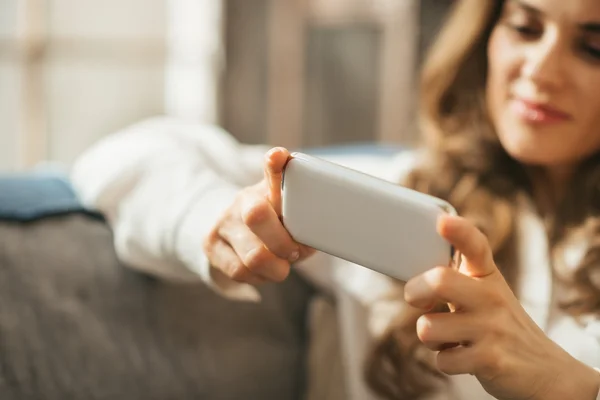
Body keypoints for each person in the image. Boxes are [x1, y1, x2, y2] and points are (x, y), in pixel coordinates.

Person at [70, 0, 600, 399]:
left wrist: (570, 385)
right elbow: (122, 157)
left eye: (592, 45)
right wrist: (215, 218)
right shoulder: (401, 194)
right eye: (525, 28)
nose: (540, 69)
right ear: (486, 37)